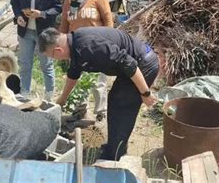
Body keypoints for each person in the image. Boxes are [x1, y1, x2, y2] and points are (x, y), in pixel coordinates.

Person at [39, 27, 159, 161]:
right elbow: (73, 74)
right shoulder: (74, 45)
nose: (55, 60)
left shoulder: (89, 46)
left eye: (52, 57)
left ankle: (115, 156)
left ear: (58, 51)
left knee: (122, 107)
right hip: (133, 66)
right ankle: (114, 147)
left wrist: (146, 93)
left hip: (143, 64)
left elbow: (129, 64)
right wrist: (62, 99)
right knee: (114, 100)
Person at [56, 0, 114, 120]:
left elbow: (108, 21)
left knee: (98, 81)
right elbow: (64, 25)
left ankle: (101, 111)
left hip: (98, 46)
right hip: (76, 48)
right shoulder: (68, 2)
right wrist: (62, 43)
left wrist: (109, 42)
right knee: (79, 79)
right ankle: (81, 109)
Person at [10, 0, 62, 101]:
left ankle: (49, 96)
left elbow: (58, 8)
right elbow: (14, 3)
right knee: (25, 64)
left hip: (44, 32)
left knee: (46, 64)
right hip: (25, 31)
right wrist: (19, 15)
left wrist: (42, 13)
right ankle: (24, 94)